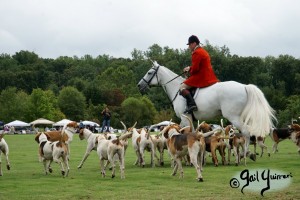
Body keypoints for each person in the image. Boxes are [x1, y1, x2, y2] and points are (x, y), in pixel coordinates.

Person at [180, 35, 219, 113]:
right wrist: (190, 68)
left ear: (194, 43)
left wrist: (188, 70)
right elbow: (199, 66)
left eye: (190, 44)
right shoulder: (203, 51)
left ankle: (192, 104)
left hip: (202, 76)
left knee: (182, 87)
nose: (189, 47)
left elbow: (195, 69)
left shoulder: (196, 52)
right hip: (210, 75)